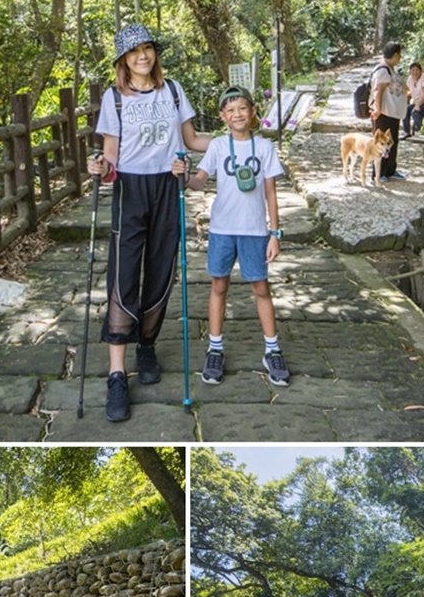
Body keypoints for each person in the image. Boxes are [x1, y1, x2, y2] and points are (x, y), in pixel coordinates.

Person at [87, 23, 213, 422]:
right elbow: (111, 157)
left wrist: (237, 137)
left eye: (148, 49)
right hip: (130, 190)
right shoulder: (114, 98)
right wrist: (99, 166)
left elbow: (193, 141)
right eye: (134, 51)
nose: (143, 56)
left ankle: (147, 344)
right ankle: (117, 373)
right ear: (123, 59)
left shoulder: (173, 91)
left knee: (161, 270)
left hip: (167, 185)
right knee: (123, 275)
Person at [172, 86, 289, 387]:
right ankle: (215, 347)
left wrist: (275, 233)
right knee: (219, 285)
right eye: (230, 110)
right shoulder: (218, 146)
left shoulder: (264, 148)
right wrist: (184, 177)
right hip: (222, 228)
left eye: (243, 109)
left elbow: (271, 192)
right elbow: (200, 181)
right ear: (223, 116)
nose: (237, 114)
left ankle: (272, 350)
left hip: (254, 230)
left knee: (261, 287)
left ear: (252, 113)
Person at [369, 41, 409, 182]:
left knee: (392, 142)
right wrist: (378, 109)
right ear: (396, 55)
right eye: (400, 55)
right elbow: (378, 91)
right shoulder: (382, 70)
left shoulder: (391, 69)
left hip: (393, 113)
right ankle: (378, 174)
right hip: (384, 113)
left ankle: (391, 170)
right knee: (381, 143)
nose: (400, 58)